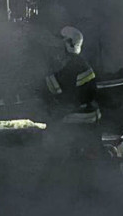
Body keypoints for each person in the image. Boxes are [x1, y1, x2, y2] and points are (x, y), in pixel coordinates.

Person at [40, 26, 103, 156]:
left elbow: (55, 92)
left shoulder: (72, 67)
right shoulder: (80, 63)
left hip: (78, 122)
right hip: (90, 119)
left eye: (60, 43)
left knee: (52, 147)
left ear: (69, 44)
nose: (57, 48)